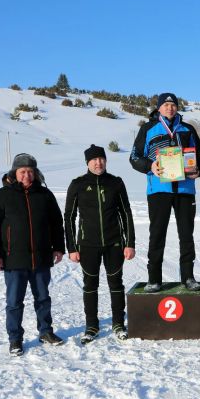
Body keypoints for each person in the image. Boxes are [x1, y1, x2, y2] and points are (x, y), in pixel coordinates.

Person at [0, 153, 66, 357]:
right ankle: (15, 339)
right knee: (14, 302)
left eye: (30, 171)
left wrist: (58, 247)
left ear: (36, 173)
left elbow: (56, 223)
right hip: (13, 260)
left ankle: (45, 332)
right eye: (22, 171)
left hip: (41, 258)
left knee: (43, 298)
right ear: (15, 173)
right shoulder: (2, 195)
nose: (27, 175)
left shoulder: (45, 195)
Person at [129, 93, 200, 292]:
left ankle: (188, 277)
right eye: (165, 104)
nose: (170, 108)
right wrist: (150, 165)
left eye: (173, 104)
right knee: (157, 234)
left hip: (185, 189)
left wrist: (199, 170)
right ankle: (154, 278)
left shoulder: (188, 129)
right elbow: (134, 156)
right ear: (159, 108)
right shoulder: (148, 129)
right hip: (159, 189)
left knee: (186, 234)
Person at [64, 145, 135, 343]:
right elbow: (69, 217)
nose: (98, 163)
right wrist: (72, 247)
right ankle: (91, 326)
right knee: (90, 284)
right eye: (94, 160)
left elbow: (126, 213)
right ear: (87, 162)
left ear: (105, 161)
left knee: (116, 283)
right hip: (88, 245)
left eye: (101, 159)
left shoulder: (116, 183)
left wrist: (129, 243)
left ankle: (119, 323)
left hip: (114, 243)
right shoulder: (77, 184)